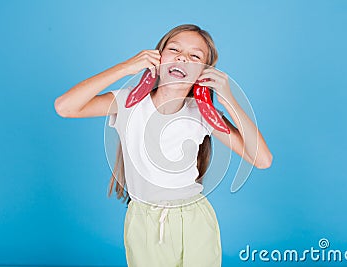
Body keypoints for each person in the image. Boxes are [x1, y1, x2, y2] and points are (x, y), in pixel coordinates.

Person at [54, 24, 273, 267]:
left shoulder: (203, 114)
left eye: (195, 56)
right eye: (174, 49)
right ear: (158, 57)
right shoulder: (128, 102)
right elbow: (65, 107)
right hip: (144, 222)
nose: (182, 57)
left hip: (195, 219)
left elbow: (262, 159)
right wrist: (126, 67)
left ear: (203, 72)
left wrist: (228, 99)